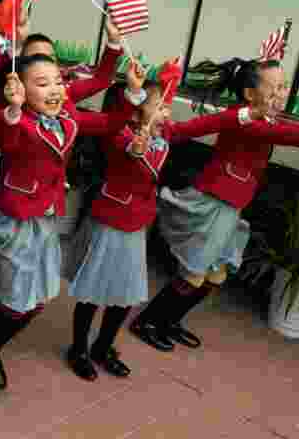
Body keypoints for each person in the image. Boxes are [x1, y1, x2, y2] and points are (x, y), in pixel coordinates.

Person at [129, 59, 299, 350]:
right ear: (249, 94)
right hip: (216, 202)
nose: (282, 93)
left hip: (233, 205)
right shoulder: (240, 118)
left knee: (215, 274)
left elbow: (284, 128)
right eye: (276, 88)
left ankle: (170, 321)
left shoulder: (265, 118)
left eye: (284, 86)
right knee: (195, 272)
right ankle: (148, 321)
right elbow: (283, 134)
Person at [64, 77, 269, 380]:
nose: (166, 113)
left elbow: (207, 124)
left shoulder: (165, 134)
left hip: (138, 223)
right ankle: (78, 349)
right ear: (135, 111)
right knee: (93, 292)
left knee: (125, 294)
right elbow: (129, 148)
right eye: (159, 107)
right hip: (111, 221)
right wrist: (136, 144)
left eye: (168, 107)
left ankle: (103, 346)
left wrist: (246, 114)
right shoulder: (118, 133)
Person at [0, 54, 145, 398]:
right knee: (16, 301)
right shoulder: (14, 122)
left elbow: (110, 125)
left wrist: (133, 92)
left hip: (47, 219)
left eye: (58, 82)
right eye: (42, 83)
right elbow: (0, 134)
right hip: (16, 220)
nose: (54, 90)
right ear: (19, 89)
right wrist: (13, 109)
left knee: (35, 302)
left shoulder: (68, 117)